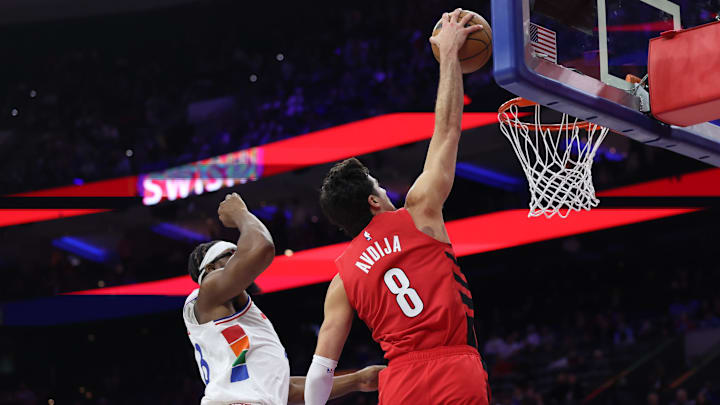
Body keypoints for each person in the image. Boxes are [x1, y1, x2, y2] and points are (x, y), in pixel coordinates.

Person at [304, 9, 490, 404]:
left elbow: (320, 375)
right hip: (454, 369)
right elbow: (448, 129)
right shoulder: (419, 211)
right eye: (380, 186)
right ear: (373, 201)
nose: (388, 191)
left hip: (400, 384)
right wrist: (451, 55)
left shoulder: (343, 279)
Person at [183, 192, 383, 405]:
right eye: (231, 256)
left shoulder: (235, 319)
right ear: (210, 267)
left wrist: (359, 380)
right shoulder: (208, 290)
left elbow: (283, 390)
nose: (238, 260)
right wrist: (240, 213)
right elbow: (262, 247)